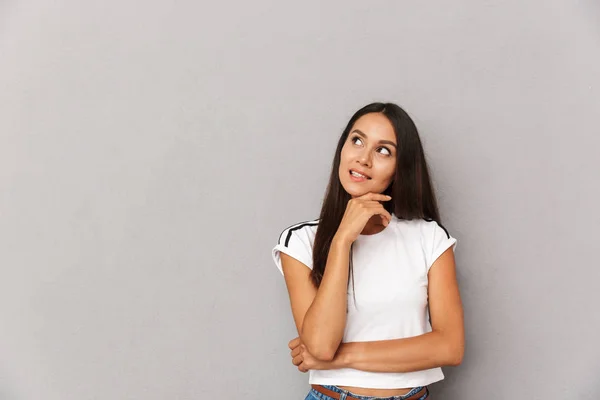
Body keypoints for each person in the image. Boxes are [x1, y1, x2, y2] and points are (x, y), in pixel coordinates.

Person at [271, 102, 464, 400]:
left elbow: (449, 347)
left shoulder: (430, 238)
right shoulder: (300, 241)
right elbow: (321, 345)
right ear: (342, 148)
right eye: (357, 141)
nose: (363, 159)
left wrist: (342, 357)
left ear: (401, 168)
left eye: (383, 150)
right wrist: (342, 240)